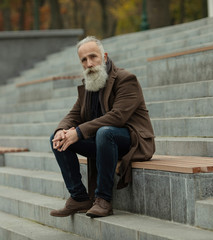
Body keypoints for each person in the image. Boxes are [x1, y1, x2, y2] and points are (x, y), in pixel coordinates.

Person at [50, 36, 155, 218]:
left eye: (93, 57)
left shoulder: (125, 79)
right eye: (84, 60)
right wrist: (62, 130)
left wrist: (79, 132)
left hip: (132, 140)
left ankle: (103, 200)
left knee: (105, 133)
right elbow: (74, 115)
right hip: (103, 141)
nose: (89, 63)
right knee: (57, 139)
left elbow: (117, 117)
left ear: (104, 57)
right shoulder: (90, 84)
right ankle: (79, 197)